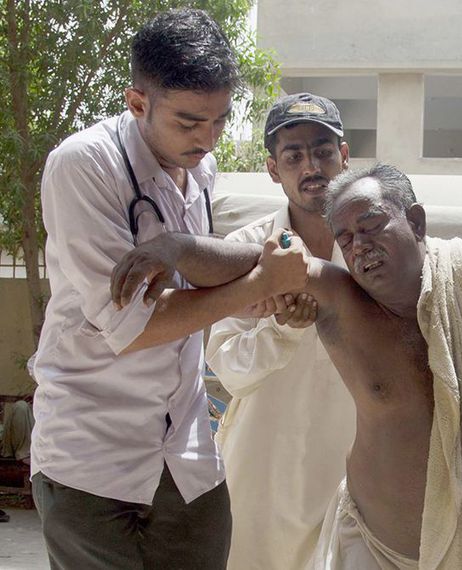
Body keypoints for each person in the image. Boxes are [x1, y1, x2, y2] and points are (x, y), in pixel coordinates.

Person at [112, 164, 462, 569]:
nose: (359, 245)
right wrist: (173, 247)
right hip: (370, 547)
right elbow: (249, 263)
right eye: (345, 238)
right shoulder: (342, 298)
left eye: (371, 226)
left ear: (416, 221)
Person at [29, 10, 308, 569]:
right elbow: (134, 327)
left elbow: (206, 276)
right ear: (137, 103)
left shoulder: (198, 171)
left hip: (187, 458)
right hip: (93, 459)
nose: (208, 140)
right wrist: (260, 279)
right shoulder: (84, 165)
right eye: (189, 122)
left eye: (220, 121)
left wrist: (189, 252)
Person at [205, 93, 356, 569]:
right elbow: (228, 369)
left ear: (345, 157)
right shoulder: (244, 251)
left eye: (323, 151)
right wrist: (281, 332)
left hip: (352, 474)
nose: (310, 166)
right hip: (262, 478)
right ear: (274, 168)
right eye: (293, 156)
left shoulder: (372, 253)